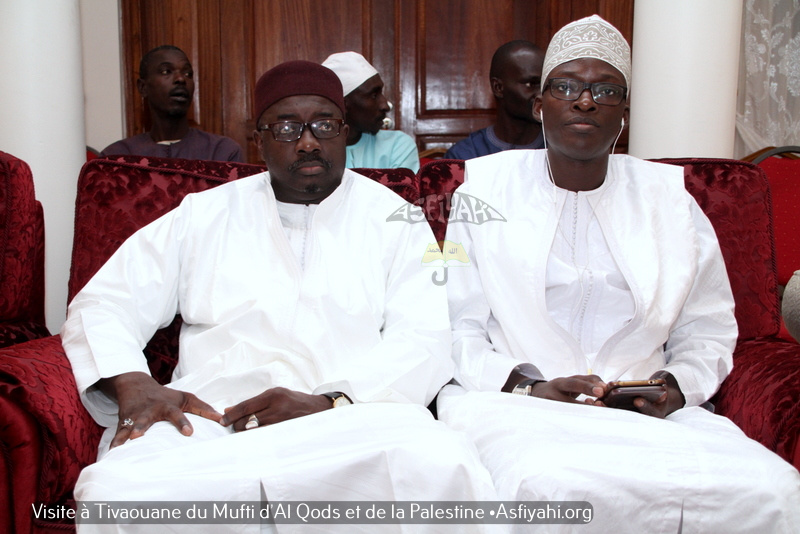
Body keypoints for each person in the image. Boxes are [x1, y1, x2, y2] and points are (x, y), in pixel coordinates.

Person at [62, 60, 499, 533]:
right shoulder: (204, 214)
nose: (308, 141)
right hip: (216, 421)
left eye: (324, 125)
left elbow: (424, 340)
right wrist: (132, 382)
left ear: (345, 132)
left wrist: (330, 401)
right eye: (288, 127)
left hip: (352, 421)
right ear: (259, 138)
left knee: (443, 468)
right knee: (115, 494)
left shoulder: (396, 219)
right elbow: (105, 301)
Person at [438, 15, 800, 533]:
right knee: (553, 490)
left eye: (604, 91)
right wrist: (528, 386)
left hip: (650, 414)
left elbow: (709, 328)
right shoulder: (483, 196)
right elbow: (458, 328)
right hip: (515, 407)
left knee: (770, 488)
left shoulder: (671, 203)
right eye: (566, 87)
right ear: (540, 106)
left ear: (624, 115)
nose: (585, 102)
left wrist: (675, 387)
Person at [100, 45, 245, 162]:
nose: (181, 79)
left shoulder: (222, 152)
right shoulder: (116, 158)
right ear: (143, 87)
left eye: (187, 73)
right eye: (166, 71)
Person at [444, 41, 545, 160]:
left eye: (545, 84)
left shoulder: (561, 151)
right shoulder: (465, 155)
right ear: (498, 88)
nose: (541, 94)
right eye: (531, 84)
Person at [322, 51, 420, 172]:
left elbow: (402, 190)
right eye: (374, 95)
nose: (386, 105)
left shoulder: (397, 145)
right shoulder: (315, 150)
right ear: (343, 104)